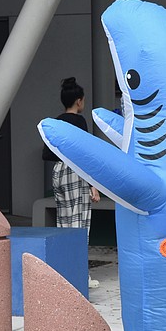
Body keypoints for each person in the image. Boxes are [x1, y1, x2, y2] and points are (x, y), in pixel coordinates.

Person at [44, 77, 101, 233]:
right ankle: (77, 256)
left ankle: (65, 255)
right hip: (75, 170)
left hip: (58, 171)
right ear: (78, 101)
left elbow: (46, 153)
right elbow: (85, 153)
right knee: (78, 219)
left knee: (63, 218)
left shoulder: (56, 122)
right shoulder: (79, 121)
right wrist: (93, 184)